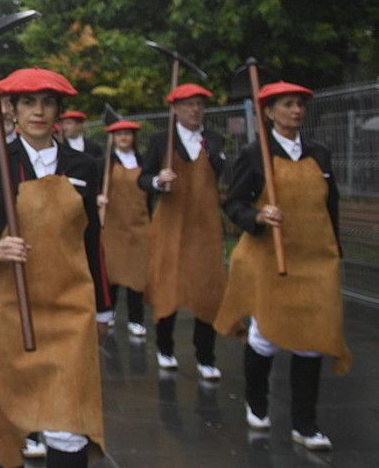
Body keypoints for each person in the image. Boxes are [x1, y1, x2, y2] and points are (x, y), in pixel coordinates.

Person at [0, 68, 111, 468]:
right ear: (12, 110)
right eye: (28, 102)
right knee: (9, 418)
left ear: (59, 110)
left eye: (47, 102)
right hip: (10, 306)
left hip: (69, 308)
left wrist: (104, 307)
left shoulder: (84, 167)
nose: (38, 112)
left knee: (68, 423)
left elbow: (93, 239)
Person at [214, 81, 349, 451]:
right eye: (288, 105)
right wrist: (258, 215)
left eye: (300, 105)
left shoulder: (320, 153)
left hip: (315, 260)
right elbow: (233, 204)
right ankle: (257, 403)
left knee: (313, 340)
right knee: (267, 336)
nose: (297, 111)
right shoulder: (255, 154)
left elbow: (330, 204)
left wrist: (336, 251)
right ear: (269, 112)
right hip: (270, 260)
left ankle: (305, 424)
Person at [138, 82, 227, 380]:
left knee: (207, 289)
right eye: (188, 104)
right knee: (168, 287)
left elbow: (219, 175)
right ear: (175, 109)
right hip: (170, 226)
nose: (195, 110)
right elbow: (142, 178)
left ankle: (206, 356)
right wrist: (157, 180)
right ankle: (165, 348)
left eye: (200, 104)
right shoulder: (162, 141)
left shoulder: (214, 140)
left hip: (204, 227)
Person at [100, 120, 149, 338]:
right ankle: (109, 312)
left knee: (137, 274)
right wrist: (98, 197)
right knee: (112, 271)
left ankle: (136, 319)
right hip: (113, 225)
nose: (124, 138)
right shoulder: (105, 164)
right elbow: (95, 186)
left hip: (139, 224)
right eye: (119, 134)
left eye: (127, 134)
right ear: (112, 138)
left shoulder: (144, 162)